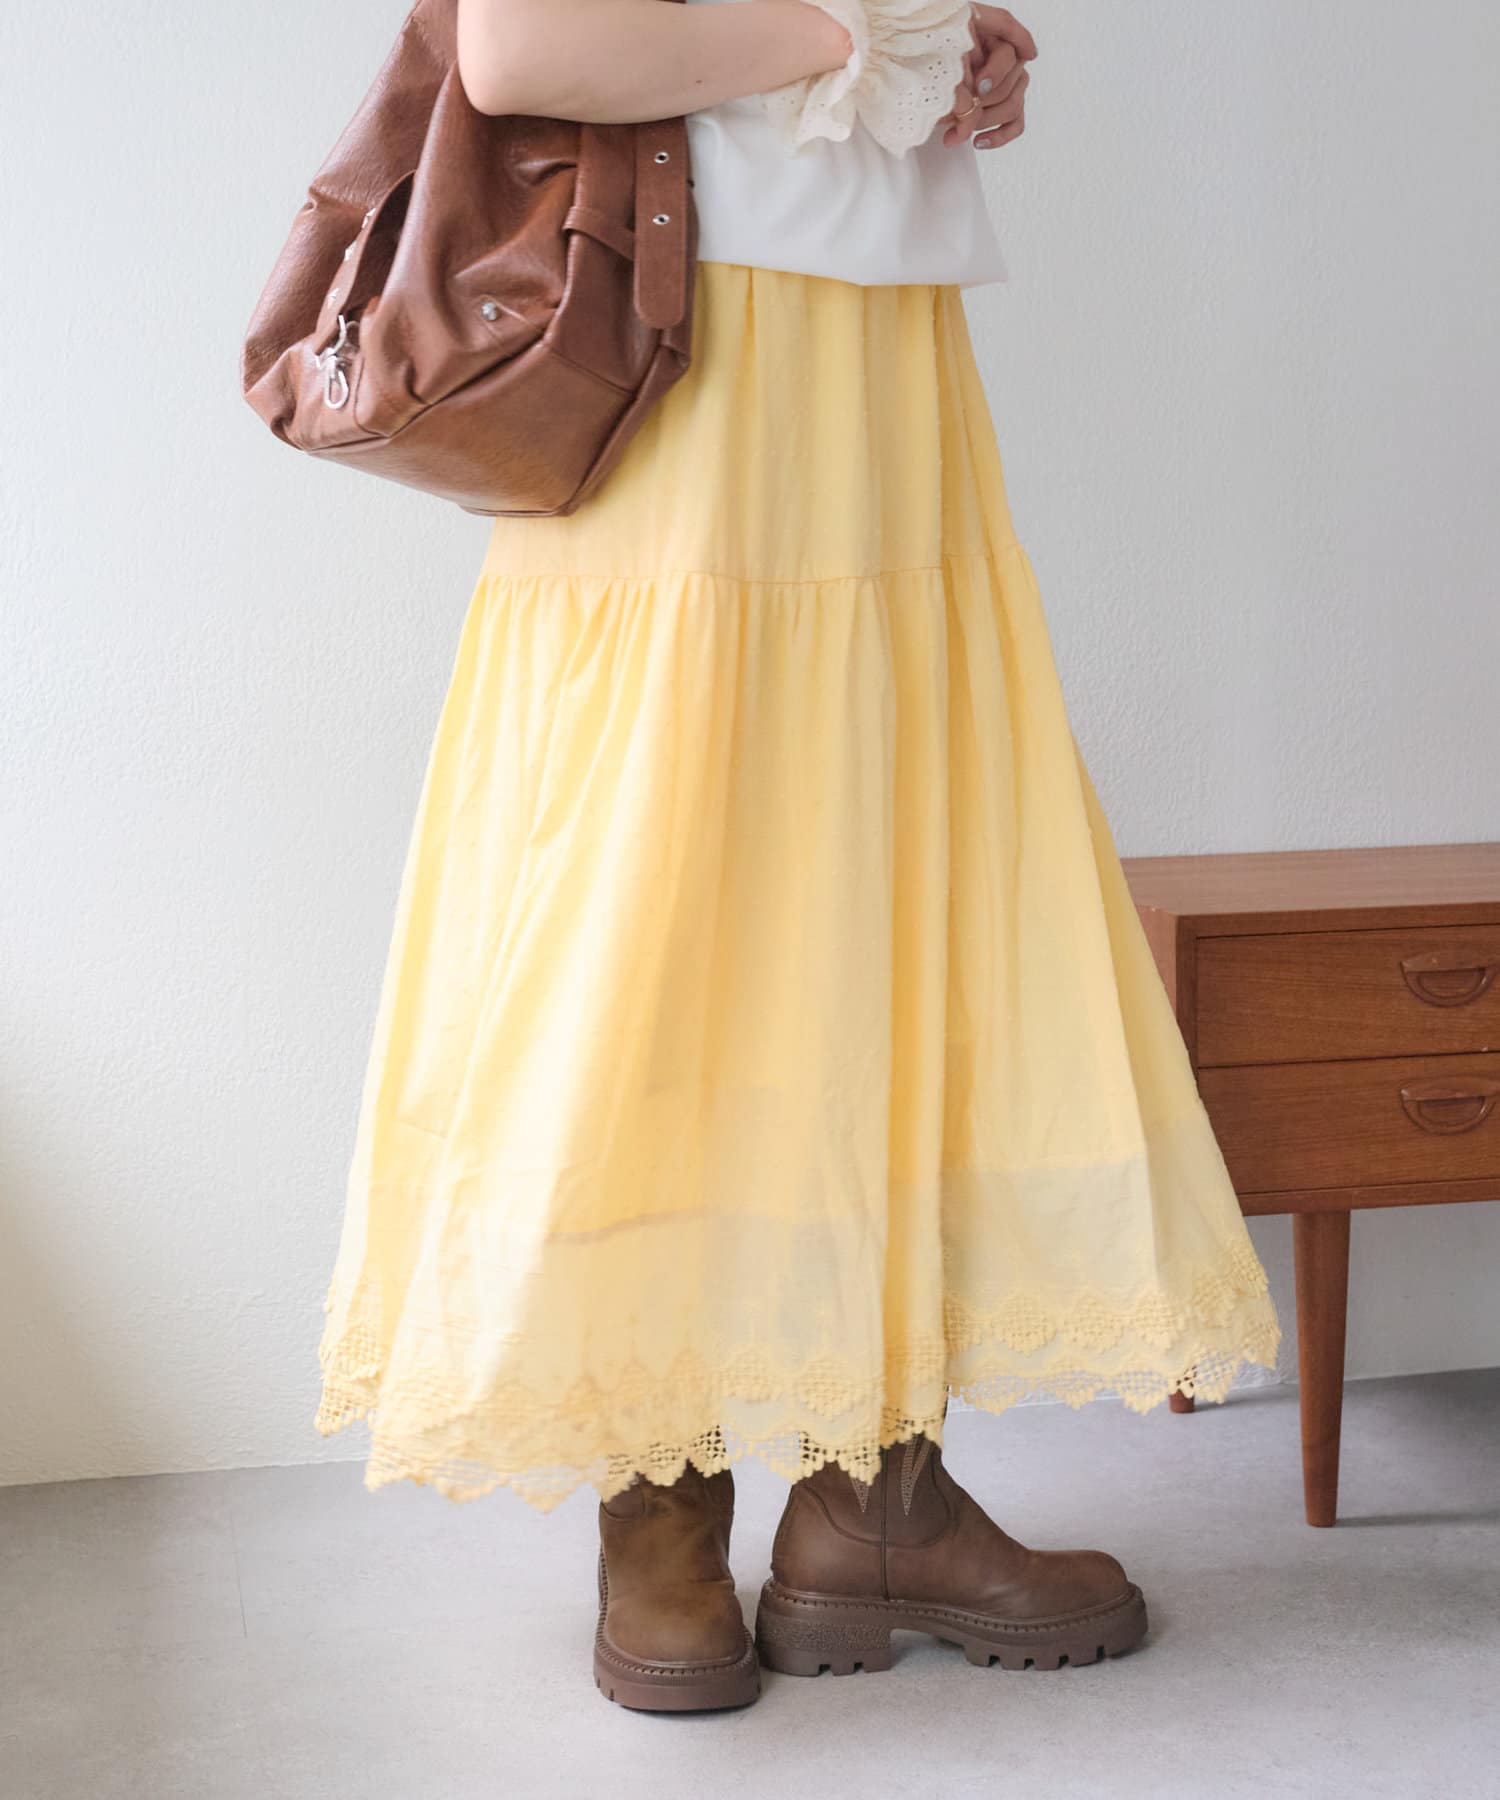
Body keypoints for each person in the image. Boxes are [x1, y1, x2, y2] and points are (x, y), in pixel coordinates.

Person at [315, 0, 1281, 1713]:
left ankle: (873, 1498)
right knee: (667, 905)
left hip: (875, 324)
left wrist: (946, 49)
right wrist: (852, 34)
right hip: (676, 328)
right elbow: (523, 51)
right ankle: (659, 1495)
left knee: (880, 892)